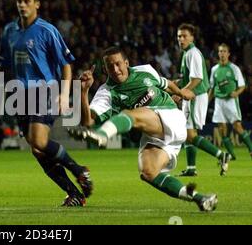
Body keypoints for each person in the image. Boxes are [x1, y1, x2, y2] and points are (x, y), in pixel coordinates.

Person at [69, 46, 218, 211]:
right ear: (105, 69)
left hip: (170, 116)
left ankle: (103, 135)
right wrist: (83, 92)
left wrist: (181, 93)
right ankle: (200, 199)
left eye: (118, 64)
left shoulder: (145, 70)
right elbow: (87, 121)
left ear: (126, 63)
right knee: (148, 172)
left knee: (129, 114)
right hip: (153, 134)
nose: (116, 70)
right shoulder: (106, 92)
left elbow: (166, 84)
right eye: (110, 67)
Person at [0, 0, 92, 206]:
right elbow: (3, 63)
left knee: (39, 140)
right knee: (37, 150)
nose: (22, 5)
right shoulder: (9, 31)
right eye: (19, 1)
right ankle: (75, 194)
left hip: (45, 91)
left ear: (37, 5)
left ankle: (79, 170)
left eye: (27, 1)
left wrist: (63, 94)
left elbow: (67, 65)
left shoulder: (47, 30)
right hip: (20, 95)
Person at [176, 23, 230, 176]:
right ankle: (191, 168)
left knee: (190, 134)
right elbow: (187, 78)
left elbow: (197, 79)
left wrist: (180, 92)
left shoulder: (193, 53)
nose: (181, 39)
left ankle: (221, 155)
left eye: (184, 36)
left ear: (192, 37)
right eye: (179, 36)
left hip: (195, 96)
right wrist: (175, 84)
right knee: (188, 133)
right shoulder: (187, 53)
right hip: (191, 96)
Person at [209, 43, 252, 159]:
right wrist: (206, 102)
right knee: (222, 129)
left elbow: (242, 85)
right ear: (218, 53)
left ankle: (251, 148)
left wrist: (236, 93)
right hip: (219, 101)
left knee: (237, 126)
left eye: (224, 51)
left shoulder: (234, 68)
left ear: (228, 54)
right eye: (220, 51)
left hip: (231, 101)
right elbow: (212, 88)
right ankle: (232, 155)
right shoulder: (214, 70)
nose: (222, 54)